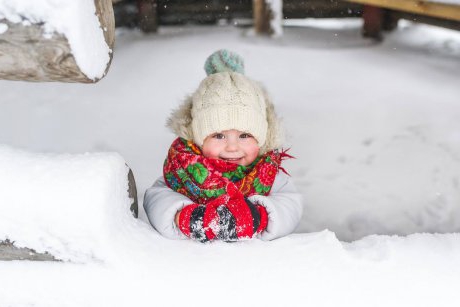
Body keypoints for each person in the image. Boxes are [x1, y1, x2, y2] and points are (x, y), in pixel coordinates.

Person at [144, 49, 302, 242]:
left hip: (259, 266)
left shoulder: (268, 173)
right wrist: (186, 217)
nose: (232, 147)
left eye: (244, 135)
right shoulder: (182, 169)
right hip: (192, 264)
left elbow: (291, 206)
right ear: (199, 139)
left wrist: (259, 216)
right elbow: (156, 198)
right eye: (219, 135)